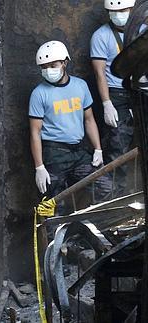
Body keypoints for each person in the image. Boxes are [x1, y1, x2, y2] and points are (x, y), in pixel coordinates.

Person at [29, 41, 112, 210]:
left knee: (105, 188)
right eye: (44, 67)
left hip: (79, 152)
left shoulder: (80, 86)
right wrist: (40, 166)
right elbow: (35, 132)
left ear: (65, 62)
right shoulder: (39, 93)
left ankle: (88, 229)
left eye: (53, 65)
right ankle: (54, 236)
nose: (49, 70)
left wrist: (98, 149)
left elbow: (88, 119)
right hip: (54, 154)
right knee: (52, 205)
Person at [91, 0, 137, 194]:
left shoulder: (141, 30)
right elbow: (100, 73)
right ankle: (116, 198)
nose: (119, 14)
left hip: (141, 90)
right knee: (117, 147)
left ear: (132, 9)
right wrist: (106, 102)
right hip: (116, 93)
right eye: (114, 11)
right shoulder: (101, 36)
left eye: (123, 10)